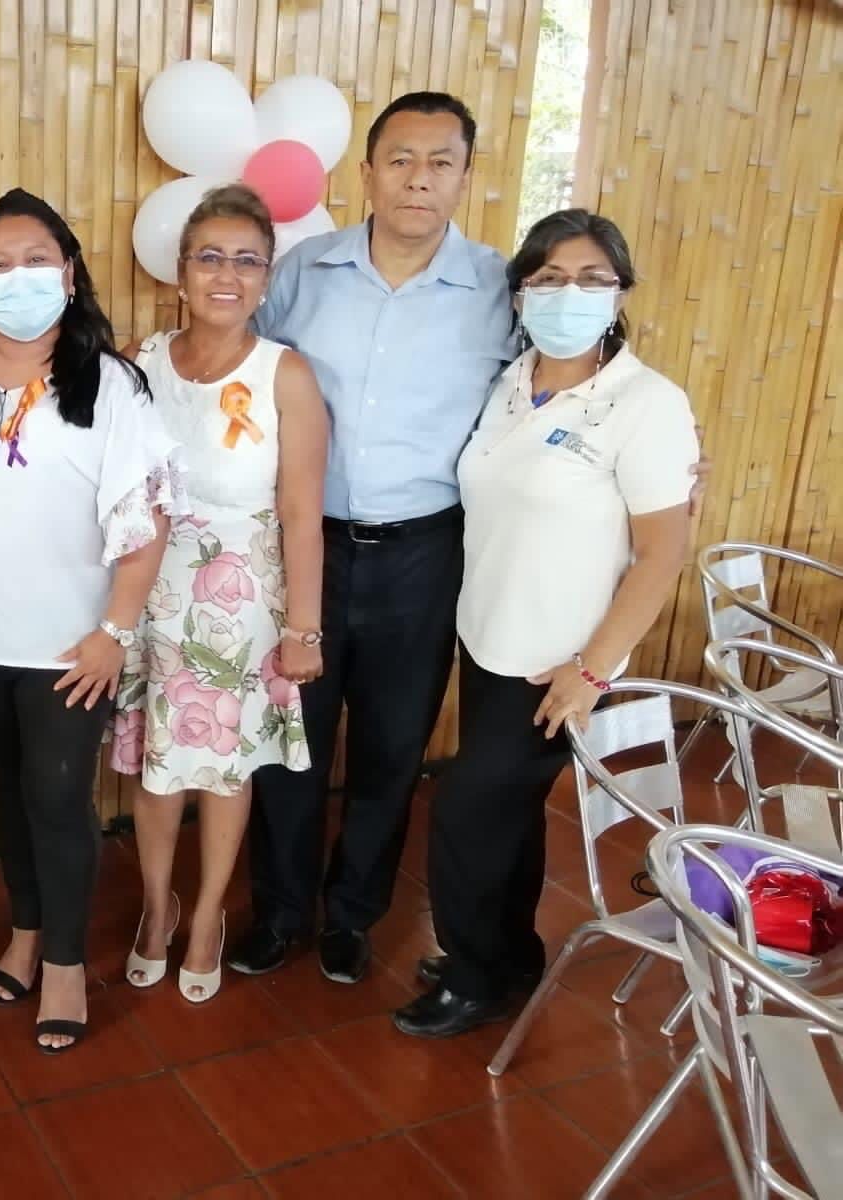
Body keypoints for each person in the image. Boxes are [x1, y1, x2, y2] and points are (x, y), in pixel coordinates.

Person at [237, 92, 709, 986]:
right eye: (400, 159)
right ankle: (280, 911)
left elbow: (585, 390)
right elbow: (245, 376)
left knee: (391, 752)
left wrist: (676, 469)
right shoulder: (302, 272)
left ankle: (351, 916)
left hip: (426, 555)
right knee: (288, 742)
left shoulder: (500, 288)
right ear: (366, 172)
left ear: (463, 176)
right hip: (303, 548)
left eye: (440, 162)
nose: (418, 179)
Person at [395, 210, 698, 1036]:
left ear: (620, 294)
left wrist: (591, 669)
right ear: (520, 292)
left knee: (464, 811)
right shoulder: (509, 381)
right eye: (550, 278)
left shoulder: (646, 403)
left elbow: (661, 552)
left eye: (592, 280)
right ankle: (509, 953)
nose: (570, 295)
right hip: (488, 638)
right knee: (507, 812)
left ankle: (471, 975)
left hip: (558, 663)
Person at [0, 188, 183, 1052]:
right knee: (7, 790)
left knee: (59, 799)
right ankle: (26, 929)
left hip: (72, 644)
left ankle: (65, 962)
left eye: (35, 260)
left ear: (68, 274)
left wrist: (115, 632)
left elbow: (148, 517)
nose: (17, 276)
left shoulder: (110, 382)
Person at [112, 184, 328, 1003]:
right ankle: (155, 905)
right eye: (209, 257)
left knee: (223, 768)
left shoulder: (286, 374)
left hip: (240, 603)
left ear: (266, 277)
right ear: (181, 272)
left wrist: (303, 631)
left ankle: (206, 915)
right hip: (148, 594)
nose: (226, 275)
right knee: (156, 765)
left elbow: (302, 514)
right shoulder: (138, 364)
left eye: (247, 260)